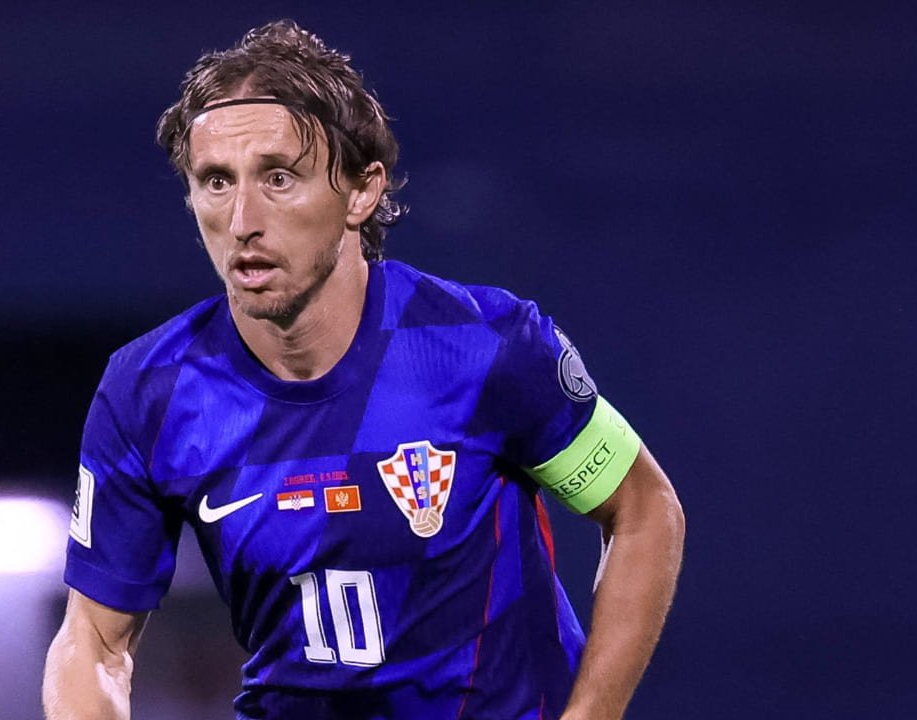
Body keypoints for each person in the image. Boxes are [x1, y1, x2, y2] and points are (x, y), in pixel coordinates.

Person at [44, 19, 684, 720]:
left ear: (361, 191)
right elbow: (94, 643)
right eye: (215, 182)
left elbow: (645, 511)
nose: (243, 218)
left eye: (279, 177)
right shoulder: (150, 391)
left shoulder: (484, 346)